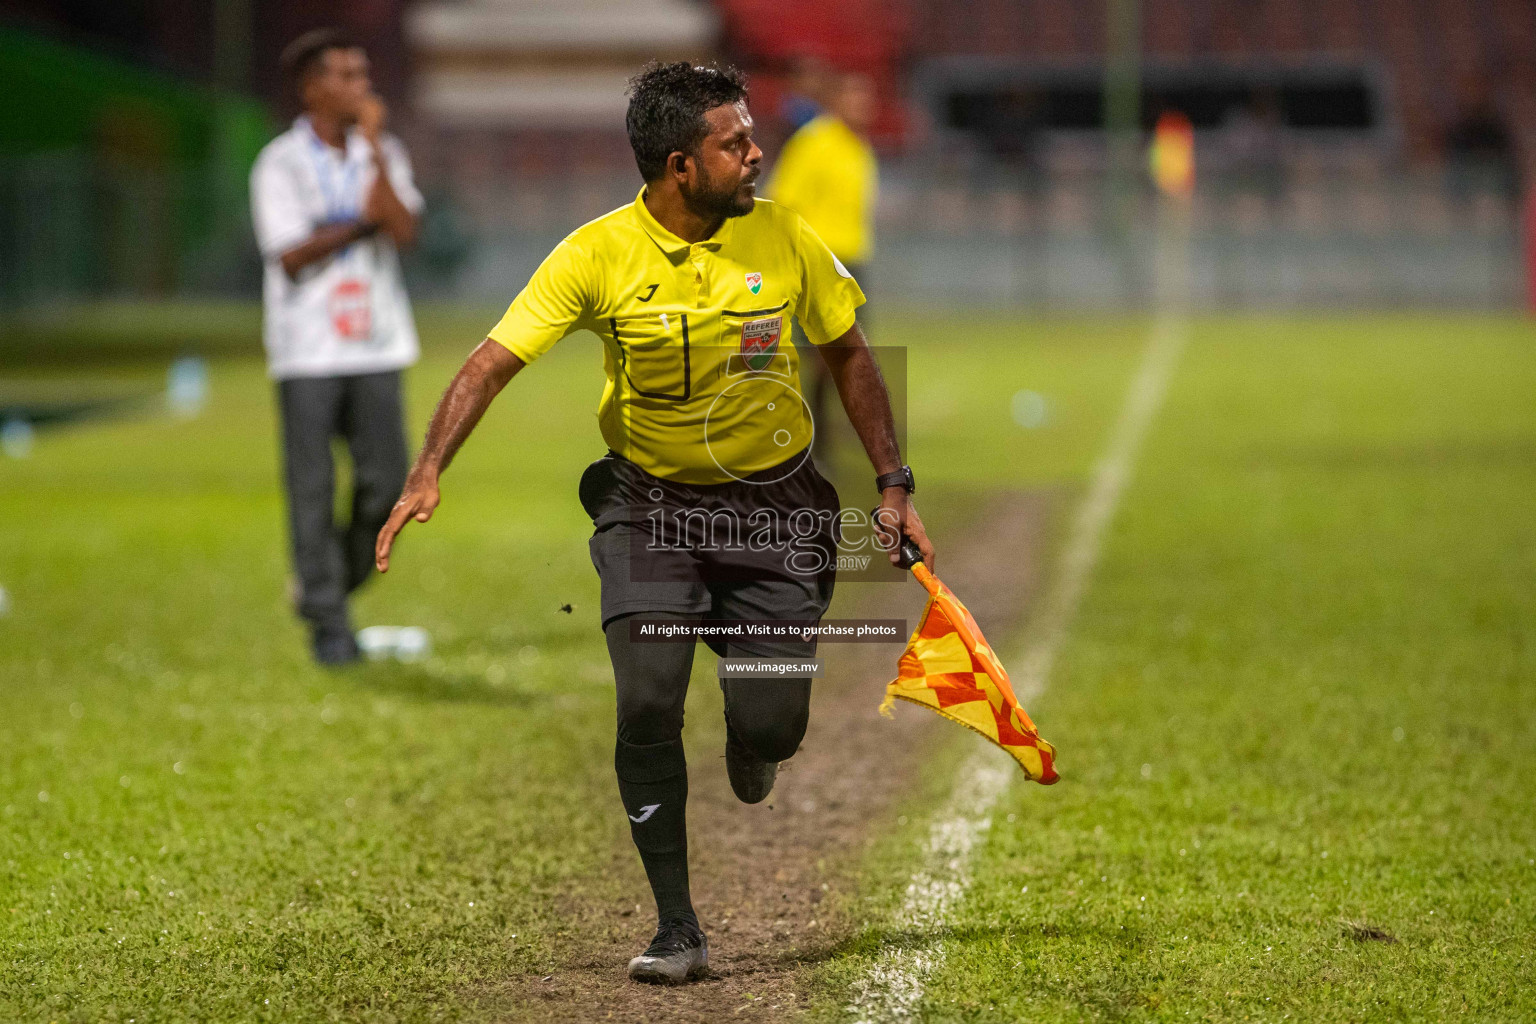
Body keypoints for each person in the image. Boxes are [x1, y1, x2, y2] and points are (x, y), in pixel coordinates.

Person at [373, 61, 934, 985]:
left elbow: (851, 356)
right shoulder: (595, 254)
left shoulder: (785, 237)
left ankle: (750, 736)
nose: (759, 154)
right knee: (645, 699)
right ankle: (678, 926)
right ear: (679, 165)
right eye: (736, 143)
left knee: (775, 722)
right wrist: (429, 466)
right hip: (651, 508)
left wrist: (892, 482)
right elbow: (488, 362)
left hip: (776, 509)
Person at [250, 28, 423, 665]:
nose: (362, 86)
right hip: (308, 349)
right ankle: (329, 630)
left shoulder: (385, 152)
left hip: (378, 343)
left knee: (386, 488)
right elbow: (290, 255)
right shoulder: (280, 162)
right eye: (346, 76)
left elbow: (404, 231)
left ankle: (326, 591)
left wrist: (375, 150)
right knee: (313, 490)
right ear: (311, 87)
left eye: (363, 73)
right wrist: (361, 222)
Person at [765, 72, 880, 448]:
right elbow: (782, 198)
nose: (863, 106)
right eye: (854, 97)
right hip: (818, 264)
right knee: (817, 356)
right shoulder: (813, 142)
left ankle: (818, 433)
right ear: (836, 102)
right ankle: (809, 436)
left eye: (866, 98)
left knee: (846, 356)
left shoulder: (857, 148)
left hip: (851, 262)